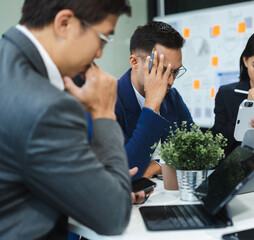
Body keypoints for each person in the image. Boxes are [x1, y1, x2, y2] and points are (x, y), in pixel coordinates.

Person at [0, 0, 148, 239]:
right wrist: (103, 112)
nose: (99, 53)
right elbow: (112, 217)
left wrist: (91, 182)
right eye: (102, 38)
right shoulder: (46, 106)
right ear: (65, 23)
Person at [115, 21, 193, 180]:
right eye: (161, 70)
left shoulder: (173, 98)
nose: (170, 81)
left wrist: (157, 166)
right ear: (135, 62)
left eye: (176, 71)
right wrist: (151, 107)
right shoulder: (109, 101)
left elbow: (199, 153)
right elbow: (126, 171)